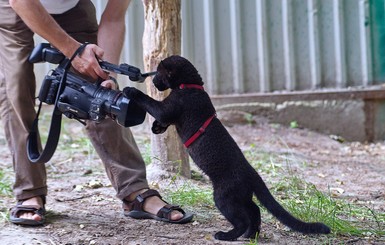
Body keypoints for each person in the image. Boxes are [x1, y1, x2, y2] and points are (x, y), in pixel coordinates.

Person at [0, 0, 193, 225]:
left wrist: (106, 76)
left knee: (102, 94)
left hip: (72, 6)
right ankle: (29, 191)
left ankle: (134, 191)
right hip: (15, 6)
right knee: (16, 88)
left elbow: (113, 17)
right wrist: (74, 50)